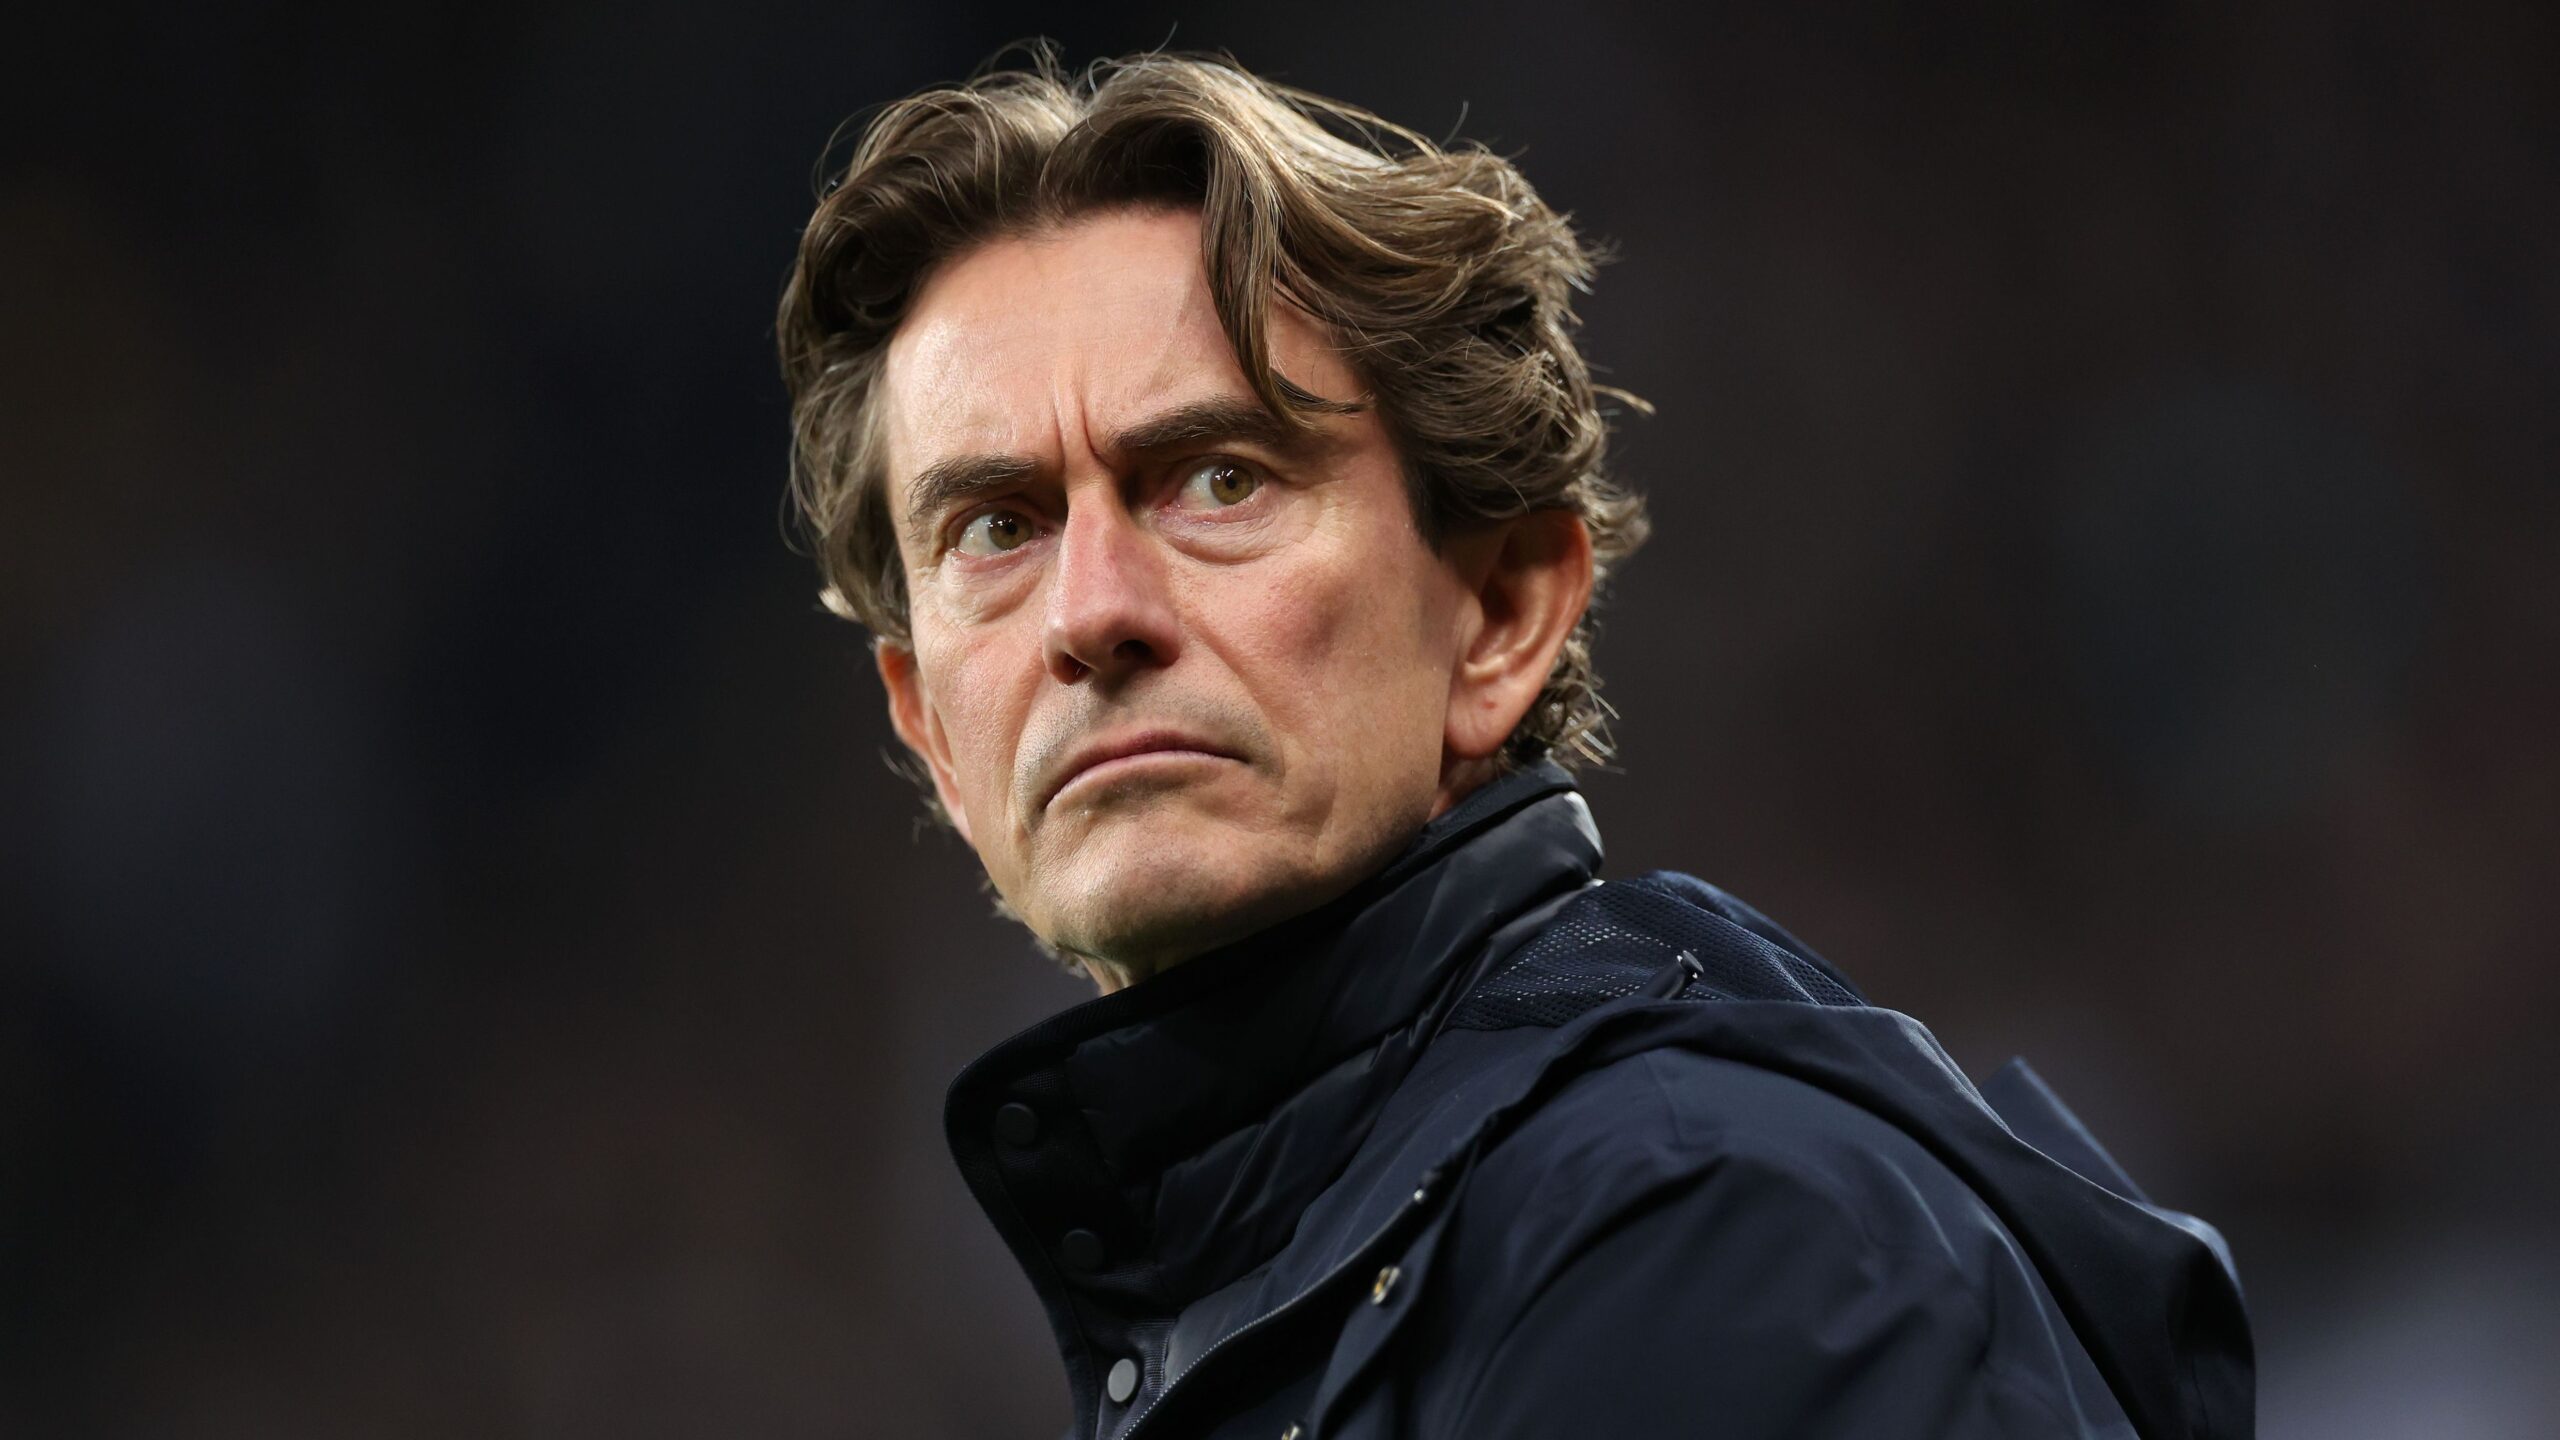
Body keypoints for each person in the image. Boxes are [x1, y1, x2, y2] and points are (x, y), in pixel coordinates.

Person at [775, 47, 2253, 1440]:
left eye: (1219, 479)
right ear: (933, 732)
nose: (1092, 612)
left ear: (1498, 614)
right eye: (998, 528)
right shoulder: (1299, 1284)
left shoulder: (1710, 1233)